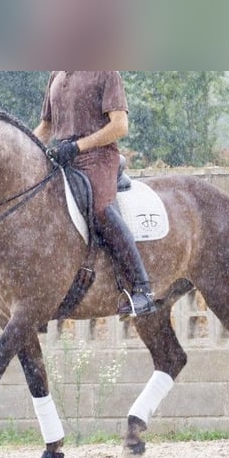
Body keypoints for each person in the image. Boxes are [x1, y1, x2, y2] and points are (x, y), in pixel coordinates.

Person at [33, 71, 155, 318]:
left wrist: (78, 146)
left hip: (98, 157)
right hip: (63, 158)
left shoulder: (105, 71)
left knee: (100, 209)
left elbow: (120, 125)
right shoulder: (56, 73)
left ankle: (143, 289)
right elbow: (46, 127)